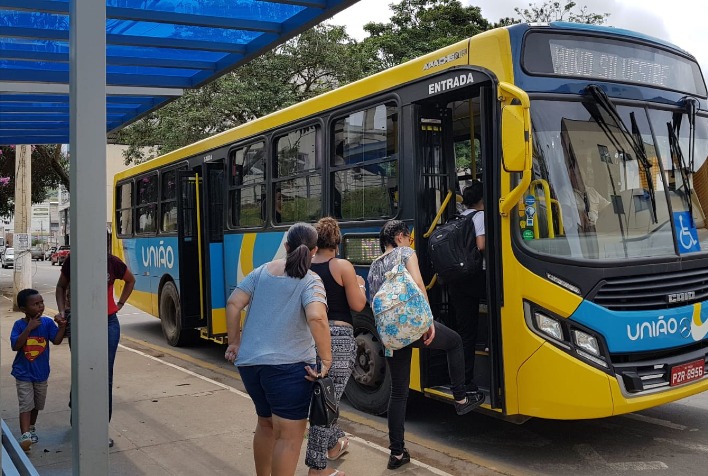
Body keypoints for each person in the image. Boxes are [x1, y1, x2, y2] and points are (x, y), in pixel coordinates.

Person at [367, 220, 484, 470]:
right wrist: (428, 320)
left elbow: (372, 301)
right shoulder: (406, 253)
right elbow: (419, 284)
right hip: (414, 324)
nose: (410, 240)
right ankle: (461, 399)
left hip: (391, 334)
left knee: (399, 392)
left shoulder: (374, 266)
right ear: (400, 236)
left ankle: (397, 453)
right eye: (408, 236)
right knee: (454, 342)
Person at [224, 222, 332, 476]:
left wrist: (234, 341)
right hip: (289, 369)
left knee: (265, 424)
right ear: (314, 251)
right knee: (289, 437)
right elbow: (317, 318)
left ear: (286, 246)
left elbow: (233, 303)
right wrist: (326, 359)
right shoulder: (311, 280)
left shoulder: (261, 272)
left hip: (251, 367)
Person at [305, 217, 367, 476]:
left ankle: (334, 443)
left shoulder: (305, 267)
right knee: (325, 404)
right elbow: (358, 305)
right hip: (338, 338)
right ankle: (317, 469)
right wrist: (361, 287)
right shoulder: (342, 266)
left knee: (324, 396)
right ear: (337, 242)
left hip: (309, 337)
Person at [55, 252, 136, 447]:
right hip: (79, 320)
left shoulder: (111, 262)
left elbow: (130, 281)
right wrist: (62, 311)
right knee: (82, 371)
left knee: (104, 377)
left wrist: (120, 304)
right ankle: (78, 418)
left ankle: (100, 430)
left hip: (108, 322)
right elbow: (60, 286)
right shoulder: (73, 260)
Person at [11, 288, 67, 451]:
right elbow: (16, 346)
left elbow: (56, 340)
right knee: (26, 404)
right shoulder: (19, 325)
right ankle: (25, 435)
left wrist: (61, 326)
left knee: (37, 404)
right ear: (24, 309)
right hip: (23, 374)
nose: (40, 306)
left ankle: (32, 427)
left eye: (41, 302)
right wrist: (29, 328)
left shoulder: (48, 323)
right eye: (35, 304)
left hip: (41, 373)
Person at [446, 180, 488, 393]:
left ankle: (463, 381)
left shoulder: (458, 217)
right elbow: (481, 245)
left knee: (465, 331)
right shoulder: (480, 217)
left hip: (456, 280)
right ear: (483, 199)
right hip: (475, 278)